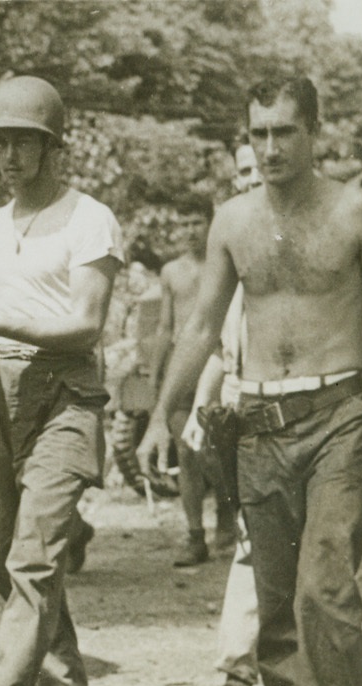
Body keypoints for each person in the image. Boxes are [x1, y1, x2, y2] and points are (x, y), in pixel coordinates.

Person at [138, 76, 362, 686]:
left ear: (314, 133)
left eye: (284, 133)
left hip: (339, 415)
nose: (268, 148)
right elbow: (202, 325)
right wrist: (162, 415)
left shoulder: (355, 213)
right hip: (259, 425)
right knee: (274, 611)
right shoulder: (232, 221)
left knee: (324, 589)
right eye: (258, 133)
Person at [0, 77, 124, 686]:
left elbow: (85, 323)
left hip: (65, 398)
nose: (9, 157)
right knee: (6, 564)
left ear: (54, 148)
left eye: (23, 142)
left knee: (32, 562)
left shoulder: (89, 219)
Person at [180, 144, 264, 686]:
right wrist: (195, 408)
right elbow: (216, 343)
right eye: (243, 173)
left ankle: (288, 653)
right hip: (243, 406)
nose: (252, 180)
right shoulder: (232, 247)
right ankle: (240, 663)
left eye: (258, 168)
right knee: (252, 534)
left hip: (310, 406)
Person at [155, 200, 235, 566]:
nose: (189, 229)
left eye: (196, 221)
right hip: (180, 367)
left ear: (209, 222)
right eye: (183, 222)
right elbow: (165, 327)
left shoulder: (221, 263)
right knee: (185, 453)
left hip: (214, 366)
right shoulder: (171, 271)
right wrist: (157, 373)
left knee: (214, 451)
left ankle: (225, 516)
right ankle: (194, 536)